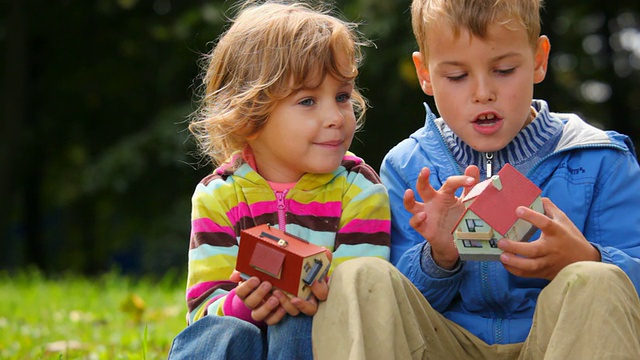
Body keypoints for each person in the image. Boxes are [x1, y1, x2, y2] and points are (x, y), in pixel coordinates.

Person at [312, 0, 640, 359]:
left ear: (539, 59)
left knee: (598, 279)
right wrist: (439, 255)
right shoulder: (408, 167)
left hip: (556, 343)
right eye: (457, 76)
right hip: (446, 343)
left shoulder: (600, 159)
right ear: (425, 74)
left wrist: (586, 256)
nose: (482, 92)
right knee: (355, 275)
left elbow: (626, 294)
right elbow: (393, 304)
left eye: (503, 69)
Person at [167, 1, 391, 359]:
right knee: (223, 331)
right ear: (249, 113)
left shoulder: (360, 189)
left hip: (319, 343)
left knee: (297, 319)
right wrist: (242, 306)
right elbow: (202, 312)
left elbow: (362, 303)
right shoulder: (219, 195)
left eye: (343, 96)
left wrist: (315, 293)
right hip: (241, 342)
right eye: (307, 101)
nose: (335, 116)